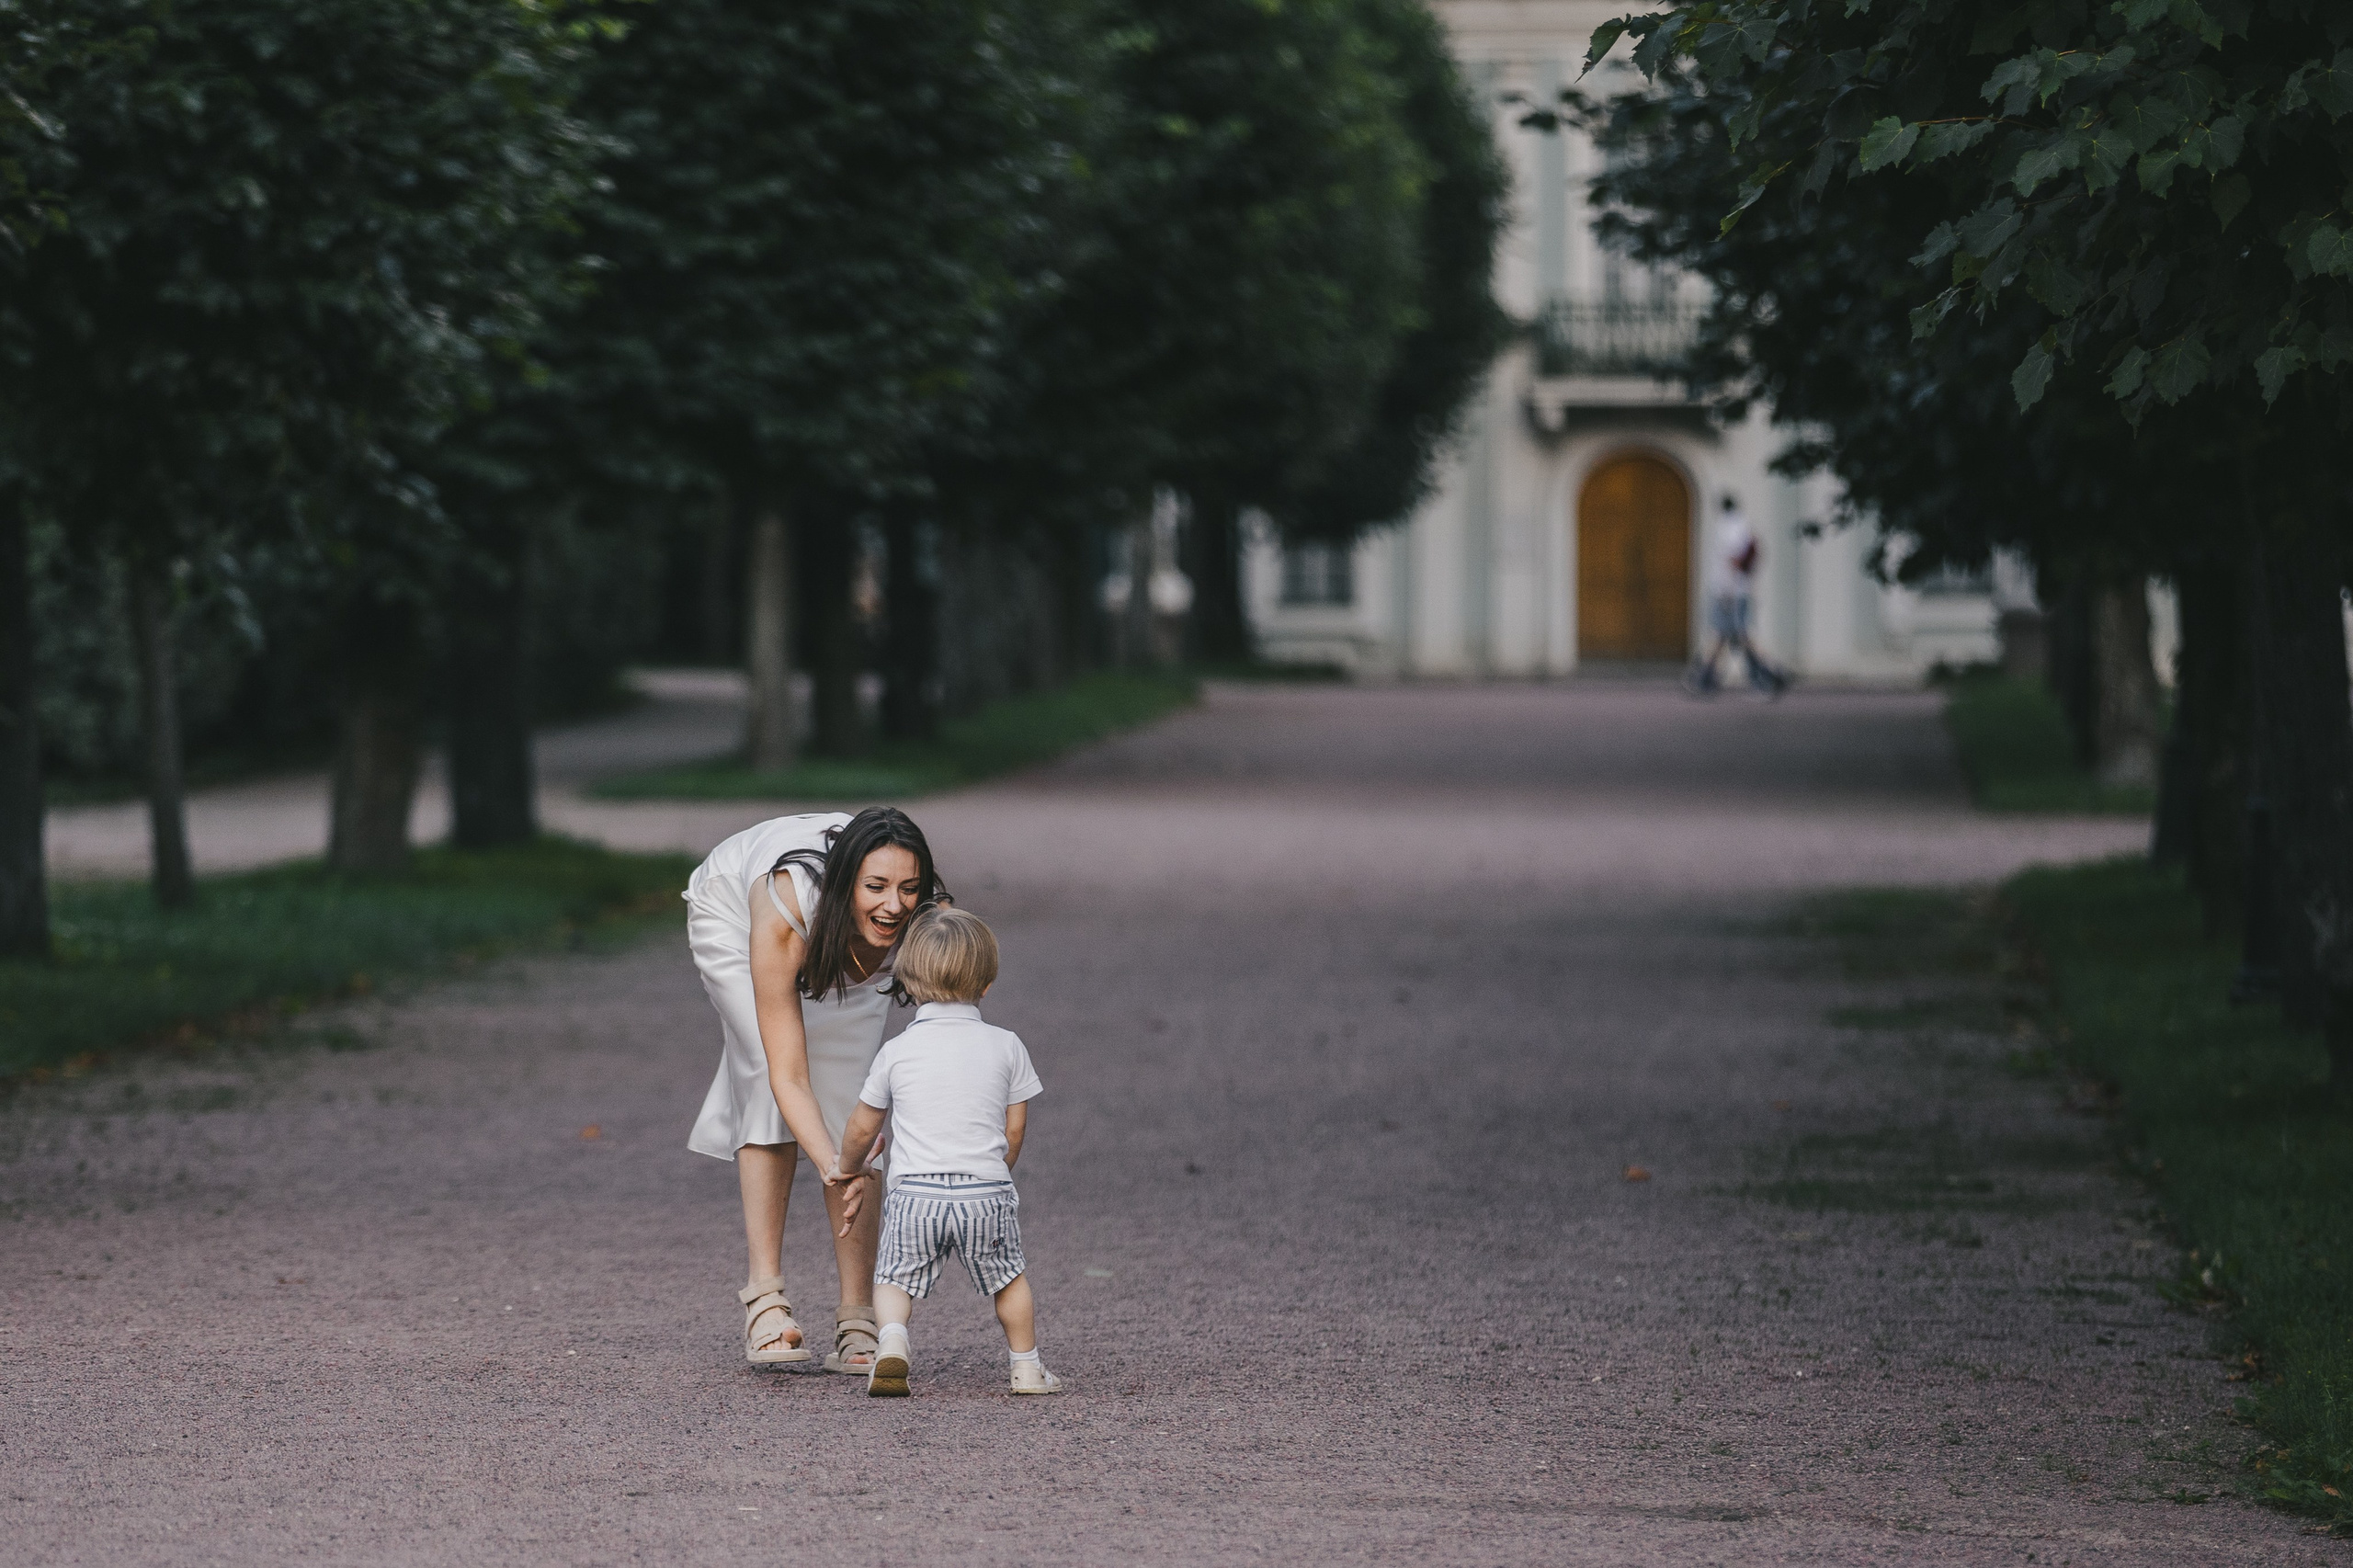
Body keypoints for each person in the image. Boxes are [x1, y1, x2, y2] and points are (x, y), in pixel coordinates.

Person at [684, 807, 946, 1376]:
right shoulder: (787, 906)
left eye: (908, 889)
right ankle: (765, 1301)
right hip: (734, 915)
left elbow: (951, 1037)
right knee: (761, 1069)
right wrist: (834, 1164)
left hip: (840, 942)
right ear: (845, 880)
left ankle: (859, 1318)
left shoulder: (927, 922)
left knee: (857, 1102)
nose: (893, 905)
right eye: (875, 887)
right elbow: (789, 1075)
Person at [833, 904, 1057, 1397]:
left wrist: (847, 1166)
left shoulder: (896, 1051)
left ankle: (892, 1341)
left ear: (908, 984)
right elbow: (1013, 1129)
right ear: (987, 983)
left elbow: (863, 1125)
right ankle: (1026, 1368)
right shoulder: (1007, 1045)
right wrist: (995, 1171)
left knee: (893, 1279)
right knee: (1009, 1280)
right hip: (985, 1192)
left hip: (915, 1195)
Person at [1688, 493, 1789, 697]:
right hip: (1736, 590)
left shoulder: (1729, 526)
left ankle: (1770, 673)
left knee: (1739, 634)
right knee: (1724, 634)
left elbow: (1733, 560)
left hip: (1729, 592)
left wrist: (1729, 591)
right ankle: (1706, 678)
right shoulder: (1742, 524)